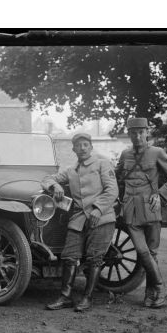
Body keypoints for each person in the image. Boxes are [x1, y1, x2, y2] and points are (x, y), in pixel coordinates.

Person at [42, 132, 118, 312]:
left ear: (91, 147)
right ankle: (65, 297)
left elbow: (112, 190)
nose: (82, 148)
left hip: (102, 217)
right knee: (69, 256)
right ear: (73, 149)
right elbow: (47, 179)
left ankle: (87, 297)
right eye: (79, 145)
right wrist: (56, 186)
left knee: (95, 258)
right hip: (78, 219)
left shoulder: (102, 164)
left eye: (86, 144)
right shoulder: (71, 170)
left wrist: (98, 209)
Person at [115, 117, 167, 308]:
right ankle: (160, 288)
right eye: (133, 133)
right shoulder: (125, 154)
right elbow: (118, 178)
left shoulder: (157, 152)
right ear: (129, 134)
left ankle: (149, 294)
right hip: (130, 209)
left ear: (147, 132)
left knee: (152, 252)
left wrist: (160, 195)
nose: (137, 136)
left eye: (141, 132)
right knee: (142, 251)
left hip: (151, 208)